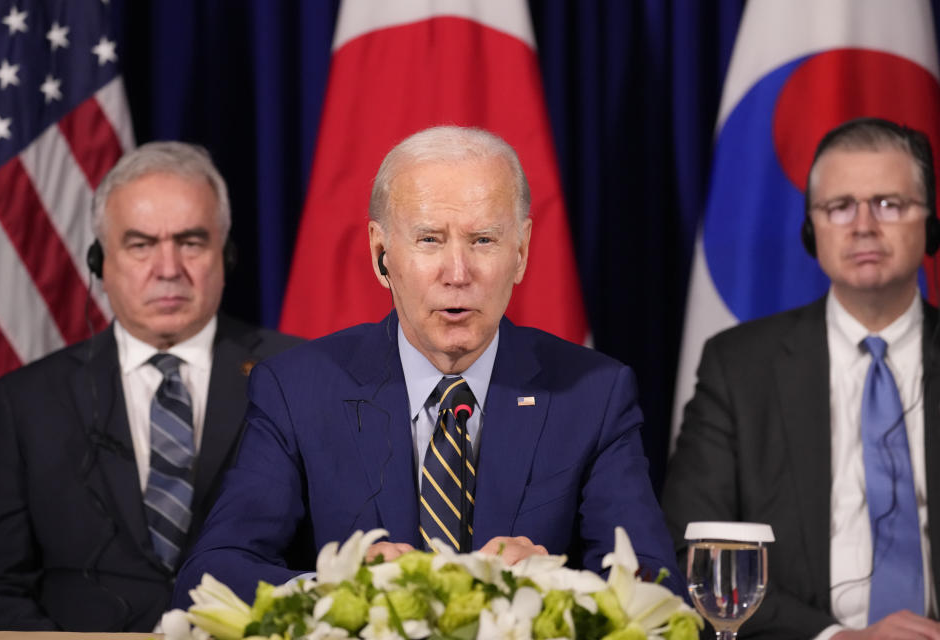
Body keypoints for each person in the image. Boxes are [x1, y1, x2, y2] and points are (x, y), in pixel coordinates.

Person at [173, 125, 684, 607]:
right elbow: (213, 574)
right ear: (381, 254)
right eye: (429, 239)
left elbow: (657, 582)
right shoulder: (298, 389)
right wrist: (337, 589)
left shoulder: (593, 394)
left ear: (522, 252)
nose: (457, 273)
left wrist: (556, 590)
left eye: (483, 239)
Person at [0, 141, 300, 632]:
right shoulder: (25, 403)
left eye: (191, 242)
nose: (168, 269)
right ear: (99, 262)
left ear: (225, 254)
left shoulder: (299, 375)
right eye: (141, 244)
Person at [664, 117, 940, 640]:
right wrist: (838, 639)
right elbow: (688, 554)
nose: (863, 225)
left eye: (889, 204)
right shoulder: (739, 367)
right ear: (812, 231)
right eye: (840, 207)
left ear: (929, 224)